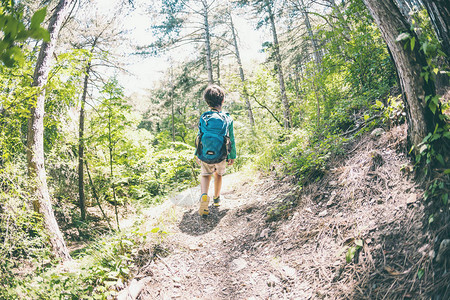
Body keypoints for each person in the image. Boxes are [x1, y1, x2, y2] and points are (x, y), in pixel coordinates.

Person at [195, 85, 236, 216]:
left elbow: (199, 137)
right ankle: (217, 199)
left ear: (207, 102)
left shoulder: (204, 117)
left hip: (205, 153)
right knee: (218, 174)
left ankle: (204, 197)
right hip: (221, 154)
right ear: (222, 100)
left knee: (205, 175)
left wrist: (197, 153)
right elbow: (232, 139)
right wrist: (232, 155)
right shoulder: (227, 118)